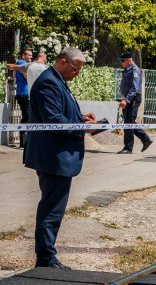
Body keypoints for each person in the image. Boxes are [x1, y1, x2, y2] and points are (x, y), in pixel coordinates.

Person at [23, 47, 96, 270]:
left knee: (53, 209)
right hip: (53, 157)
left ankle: (46, 257)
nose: (77, 74)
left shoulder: (56, 80)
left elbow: (61, 113)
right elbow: (53, 119)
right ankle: (45, 260)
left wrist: (80, 117)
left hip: (56, 156)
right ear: (63, 62)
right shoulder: (48, 82)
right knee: (51, 210)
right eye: (76, 69)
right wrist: (81, 127)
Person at [117, 52, 152, 154]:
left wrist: (126, 100)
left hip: (133, 98)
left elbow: (134, 88)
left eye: (123, 61)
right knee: (129, 121)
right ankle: (145, 139)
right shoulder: (127, 69)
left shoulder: (134, 70)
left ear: (129, 60)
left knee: (129, 122)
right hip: (129, 98)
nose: (121, 63)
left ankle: (128, 147)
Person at [14, 48, 32, 147]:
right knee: (27, 116)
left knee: (25, 116)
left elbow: (15, 75)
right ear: (23, 55)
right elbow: (26, 76)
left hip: (22, 93)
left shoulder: (18, 63)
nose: (30, 57)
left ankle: (23, 141)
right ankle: (24, 141)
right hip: (24, 94)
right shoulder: (22, 62)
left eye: (31, 55)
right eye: (28, 55)